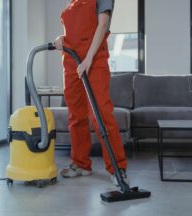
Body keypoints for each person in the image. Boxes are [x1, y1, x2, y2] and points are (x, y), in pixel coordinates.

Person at [54, 0, 128, 186]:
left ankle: (117, 168)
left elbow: (102, 24)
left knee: (101, 114)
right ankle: (81, 164)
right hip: (71, 62)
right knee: (76, 115)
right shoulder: (72, 3)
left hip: (94, 60)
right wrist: (61, 39)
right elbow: (72, 33)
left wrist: (88, 59)